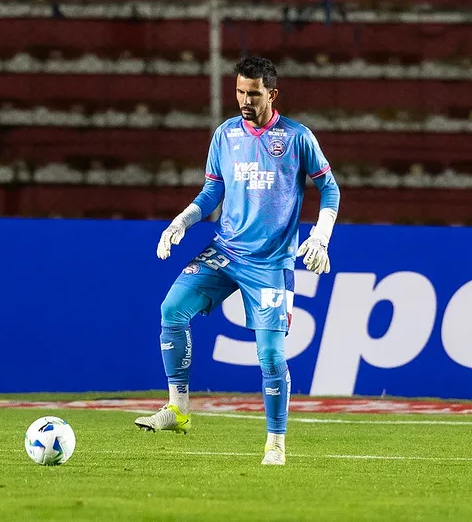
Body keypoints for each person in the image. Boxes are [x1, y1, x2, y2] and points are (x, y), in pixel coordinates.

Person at [134, 55, 340, 466]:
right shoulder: (225, 135)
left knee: (270, 357)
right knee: (171, 310)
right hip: (225, 250)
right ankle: (178, 410)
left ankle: (276, 442)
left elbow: (329, 189)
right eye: (240, 92)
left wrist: (321, 235)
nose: (245, 100)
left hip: (270, 262)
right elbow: (212, 192)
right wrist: (183, 221)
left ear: (272, 94)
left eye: (254, 93)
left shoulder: (297, 137)